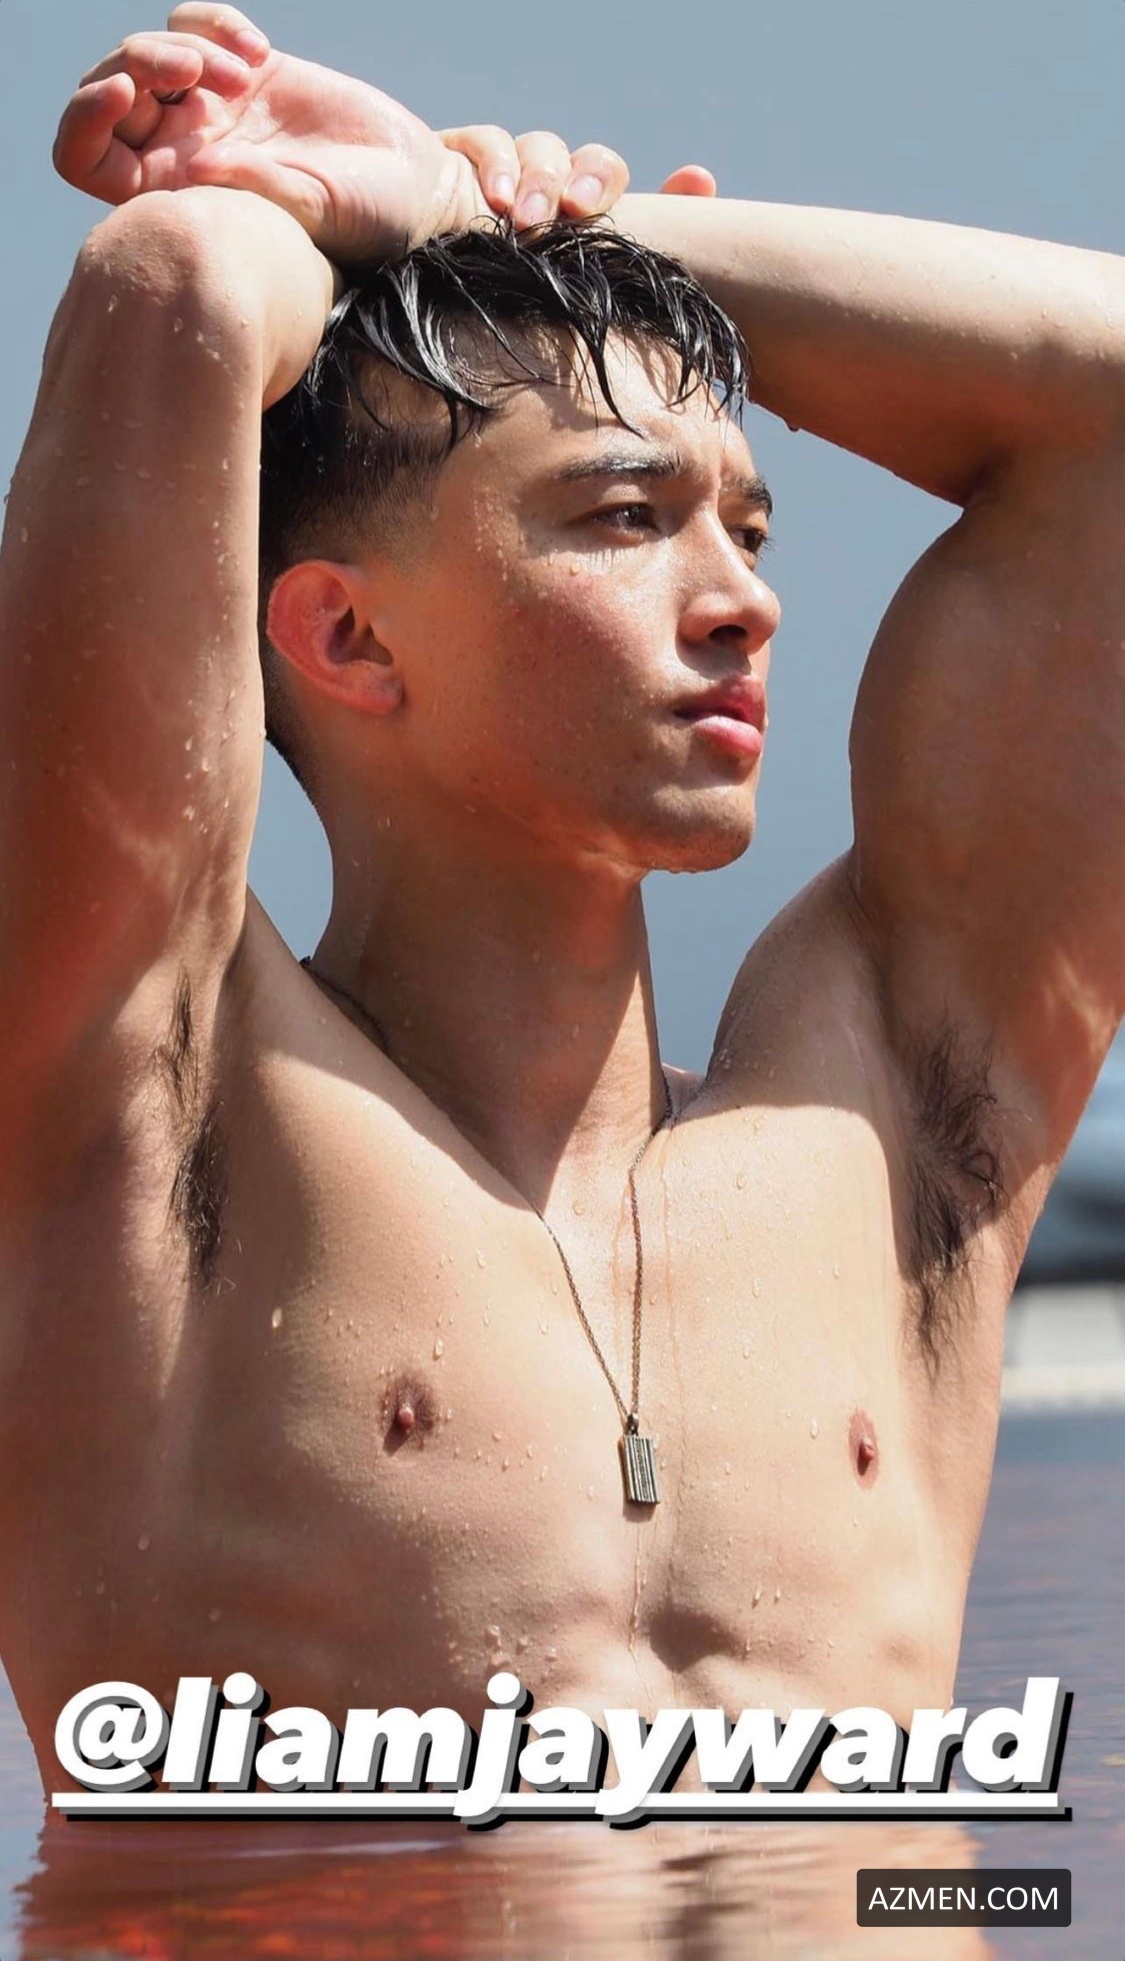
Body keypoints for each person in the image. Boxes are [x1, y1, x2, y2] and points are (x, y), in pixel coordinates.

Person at [2, 1, 1122, 1797]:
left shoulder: (896, 1115)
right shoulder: (147, 1093)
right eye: (622, 515)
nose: (743, 599)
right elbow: (175, 286)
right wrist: (376, 222)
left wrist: (524, 228)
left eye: (748, 526)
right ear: (345, 635)